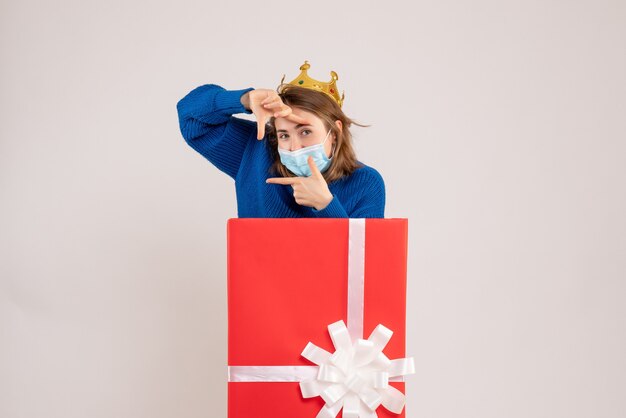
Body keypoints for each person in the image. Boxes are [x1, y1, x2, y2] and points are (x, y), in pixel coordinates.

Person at [175, 61, 385, 218]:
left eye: (305, 132)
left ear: (335, 131)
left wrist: (326, 205)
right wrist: (243, 100)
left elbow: (364, 266)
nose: (294, 148)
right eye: (284, 135)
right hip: (255, 278)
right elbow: (191, 118)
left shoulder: (366, 183)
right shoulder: (256, 151)